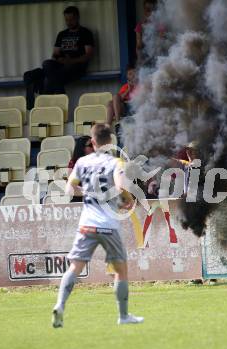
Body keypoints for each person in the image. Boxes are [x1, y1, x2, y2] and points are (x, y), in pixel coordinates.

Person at [52, 124, 143, 328]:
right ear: (110, 141)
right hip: (108, 224)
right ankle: (124, 315)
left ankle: (60, 305)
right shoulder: (115, 161)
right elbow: (120, 187)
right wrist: (128, 199)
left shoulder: (82, 162)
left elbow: (69, 189)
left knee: (74, 267)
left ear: (93, 142)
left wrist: (89, 192)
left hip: (87, 224)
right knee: (120, 270)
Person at [24, 6, 94, 109]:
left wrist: (71, 61)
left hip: (76, 67)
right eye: (67, 20)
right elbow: (55, 54)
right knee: (40, 68)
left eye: (71, 19)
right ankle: (57, 96)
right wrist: (60, 59)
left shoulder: (85, 33)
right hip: (60, 66)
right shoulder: (62, 34)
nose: (69, 22)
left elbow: (88, 55)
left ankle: (42, 106)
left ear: (77, 18)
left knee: (47, 79)